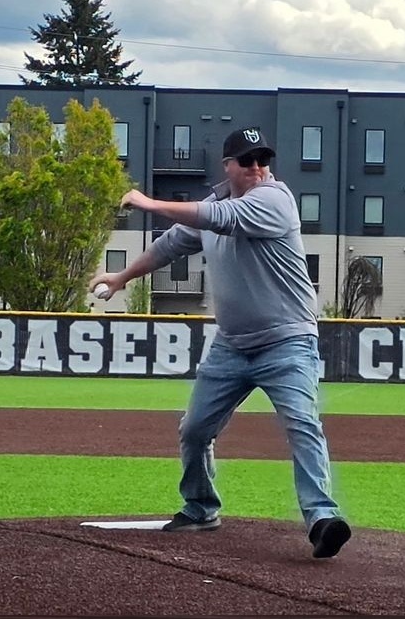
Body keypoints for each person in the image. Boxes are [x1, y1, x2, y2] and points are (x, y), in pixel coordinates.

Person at [89, 126, 350, 559]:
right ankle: (201, 507)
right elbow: (169, 246)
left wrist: (151, 203)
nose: (256, 168)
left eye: (262, 160)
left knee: (302, 423)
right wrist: (121, 277)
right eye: (246, 161)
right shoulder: (214, 204)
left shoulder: (274, 200)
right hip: (232, 346)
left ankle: (322, 518)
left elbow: (220, 220)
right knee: (194, 430)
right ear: (228, 166)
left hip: (288, 341)